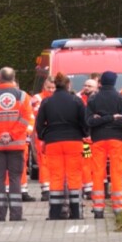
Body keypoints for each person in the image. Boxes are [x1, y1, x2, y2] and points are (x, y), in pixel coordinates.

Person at [0, 67, 34, 221]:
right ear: (14, 78)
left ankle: (0, 215)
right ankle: (16, 215)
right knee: (15, 179)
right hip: (16, 145)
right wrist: (11, 135)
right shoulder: (24, 96)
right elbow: (26, 119)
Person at [35, 72, 88, 219]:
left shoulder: (46, 102)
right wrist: (83, 133)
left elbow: (39, 125)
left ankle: (55, 213)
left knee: (56, 177)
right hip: (74, 142)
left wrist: (45, 135)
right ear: (68, 85)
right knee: (74, 176)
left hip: (53, 143)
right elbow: (84, 122)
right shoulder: (76, 101)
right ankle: (76, 213)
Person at [86, 71, 122, 219]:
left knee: (98, 173)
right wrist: (112, 118)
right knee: (117, 173)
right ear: (114, 82)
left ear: (100, 82)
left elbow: (90, 121)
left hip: (98, 139)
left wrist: (101, 118)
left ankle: (98, 208)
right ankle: (119, 207)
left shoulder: (93, 99)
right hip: (117, 139)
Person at [30, 76, 57, 201]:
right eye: (48, 87)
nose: (51, 90)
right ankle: (46, 189)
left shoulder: (58, 97)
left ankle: (55, 187)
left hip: (56, 133)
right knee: (44, 162)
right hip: (42, 134)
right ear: (44, 86)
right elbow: (33, 114)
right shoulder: (37, 98)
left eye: (53, 87)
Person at [79, 75, 99, 201]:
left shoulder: (98, 100)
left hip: (97, 139)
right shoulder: (79, 99)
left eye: (89, 86)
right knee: (86, 163)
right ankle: (87, 188)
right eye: (85, 85)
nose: (86, 88)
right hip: (86, 140)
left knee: (96, 164)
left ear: (96, 88)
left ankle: (97, 188)